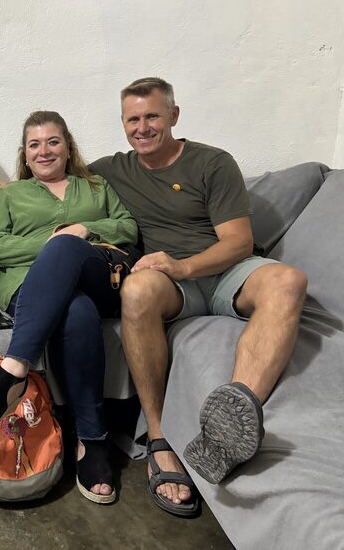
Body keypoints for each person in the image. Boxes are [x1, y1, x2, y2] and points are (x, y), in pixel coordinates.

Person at [89, 77, 308, 517]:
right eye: (133, 119)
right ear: (123, 124)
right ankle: (159, 439)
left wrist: (183, 266)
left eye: (153, 116)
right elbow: (53, 172)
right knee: (136, 289)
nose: (143, 127)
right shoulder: (112, 170)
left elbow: (238, 242)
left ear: (174, 115)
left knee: (289, 281)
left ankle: (229, 423)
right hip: (172, 288)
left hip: (223, 272)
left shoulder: (212, 162)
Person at [0, 110, 138, 504]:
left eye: (53, 142)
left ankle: (13, 370)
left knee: (69, 247)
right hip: (29, 287)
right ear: (25, 153)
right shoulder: (11, 194)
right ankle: (93, 439)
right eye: (34, 144)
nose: (44, 151)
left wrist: (85, 230)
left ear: (67, 147)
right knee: (76, 311)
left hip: (96, 276)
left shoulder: (95, 185)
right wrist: (52, 241)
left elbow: (127, 227)